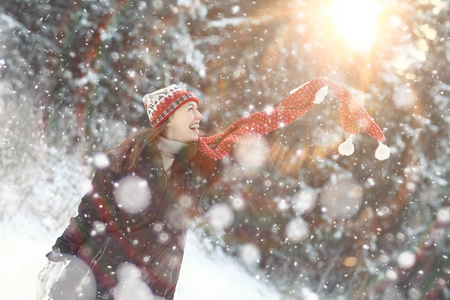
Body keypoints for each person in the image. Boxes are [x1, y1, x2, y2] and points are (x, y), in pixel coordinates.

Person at [38, 78, 389, 300]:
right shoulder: (123, 158)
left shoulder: (204, 158)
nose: (197, 117)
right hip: (98, 266)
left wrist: (318, 90)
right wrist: (64, 248)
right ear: (168, 117)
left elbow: (259, 123)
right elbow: (91, 209)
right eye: (190, 109)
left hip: (149, 284)